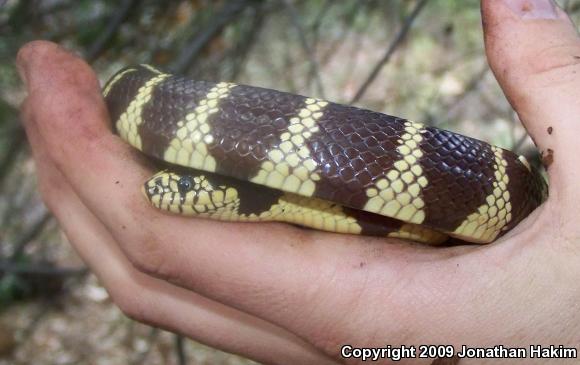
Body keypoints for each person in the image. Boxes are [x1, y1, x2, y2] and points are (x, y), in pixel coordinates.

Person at [16, 0, 580, 363]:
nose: (171, 192)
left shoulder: (273, 188)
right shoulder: (273, 197)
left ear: (229, 193)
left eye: (193, 188)